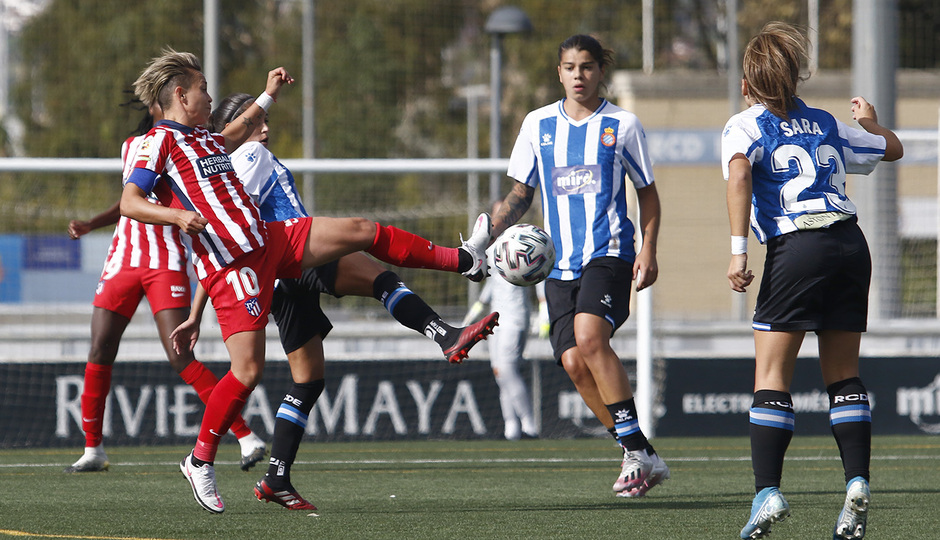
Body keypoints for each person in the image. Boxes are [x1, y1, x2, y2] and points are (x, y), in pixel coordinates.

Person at [121, 48, 492, 514]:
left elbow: (237, 130)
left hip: (270, 240)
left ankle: (463, 259)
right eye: (203, 88)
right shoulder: (157, 142)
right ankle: (199, 459)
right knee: (248, 372)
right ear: (181, 93)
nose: (210, 96)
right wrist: (176, 214)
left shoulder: (204, 138)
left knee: (360, 230)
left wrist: (269, 94)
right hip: (232, 267)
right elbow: (130, 202)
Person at [721, 22, 903, 540]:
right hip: (850, 244)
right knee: (843, 374)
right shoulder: (825, 121)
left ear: (748, 84)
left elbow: (738, 176)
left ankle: (766, 493)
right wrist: (870, 122)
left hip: (796, 248)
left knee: (772, 376)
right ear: (795, 79)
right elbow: (891, 150)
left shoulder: (744, 124)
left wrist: (737, 252)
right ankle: (856, 483)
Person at [468, 34, 669, 497]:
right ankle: (640, 452)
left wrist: (649, 248)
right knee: (576, 362)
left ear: (601, 71)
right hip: (558, 268)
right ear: (558, 73)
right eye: (570, 67)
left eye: (587, 67)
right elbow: (520, 194)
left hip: (610, 253)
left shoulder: (623, 125)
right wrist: (484, 240)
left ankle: (637, 454)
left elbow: (649, 194)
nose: (579, 75)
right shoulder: (537, 125)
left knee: (589, 337)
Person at [63, 101, 265, 474]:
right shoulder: (134, 145)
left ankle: (244, 435)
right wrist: (93, 223)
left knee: (179, 354)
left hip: (167, 261)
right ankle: (93, 449)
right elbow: (128, 201)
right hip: (123, 259)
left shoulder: (191, 142)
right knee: (100, 347)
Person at [462, 200, 538, 441]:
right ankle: (512, 427)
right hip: (495, 319)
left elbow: (541, 271)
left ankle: (529, 424)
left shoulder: (525, 242)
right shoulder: (492, 250)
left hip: (516, 317)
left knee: (507, 369)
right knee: (499, 372)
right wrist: (475, 311)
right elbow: (491, 285)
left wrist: (545, 309)